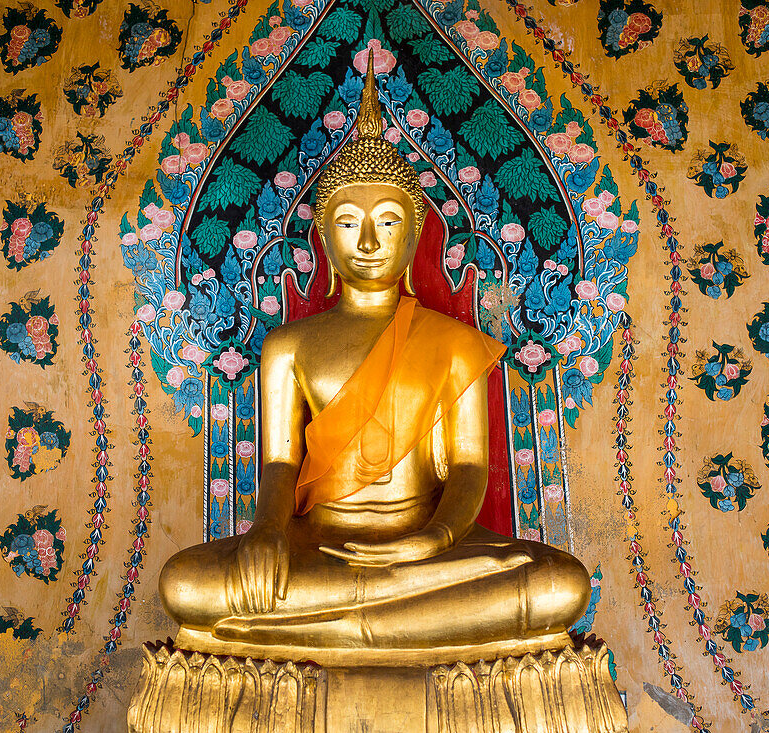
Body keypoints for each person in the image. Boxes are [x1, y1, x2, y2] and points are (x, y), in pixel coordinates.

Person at [159, 53, 591, 652]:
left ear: (413, 237)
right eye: (348, 223)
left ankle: (326, 627)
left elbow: (469, 469)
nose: (367, 241)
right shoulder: (287, 347)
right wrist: (266, 532)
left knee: (560, 585)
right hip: (318, 546)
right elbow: (280, 463)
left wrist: (432, 541)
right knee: (184, 584)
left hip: (429, 550)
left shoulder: (454, 343)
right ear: (323, 236)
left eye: (388, 223)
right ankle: (383, 622)